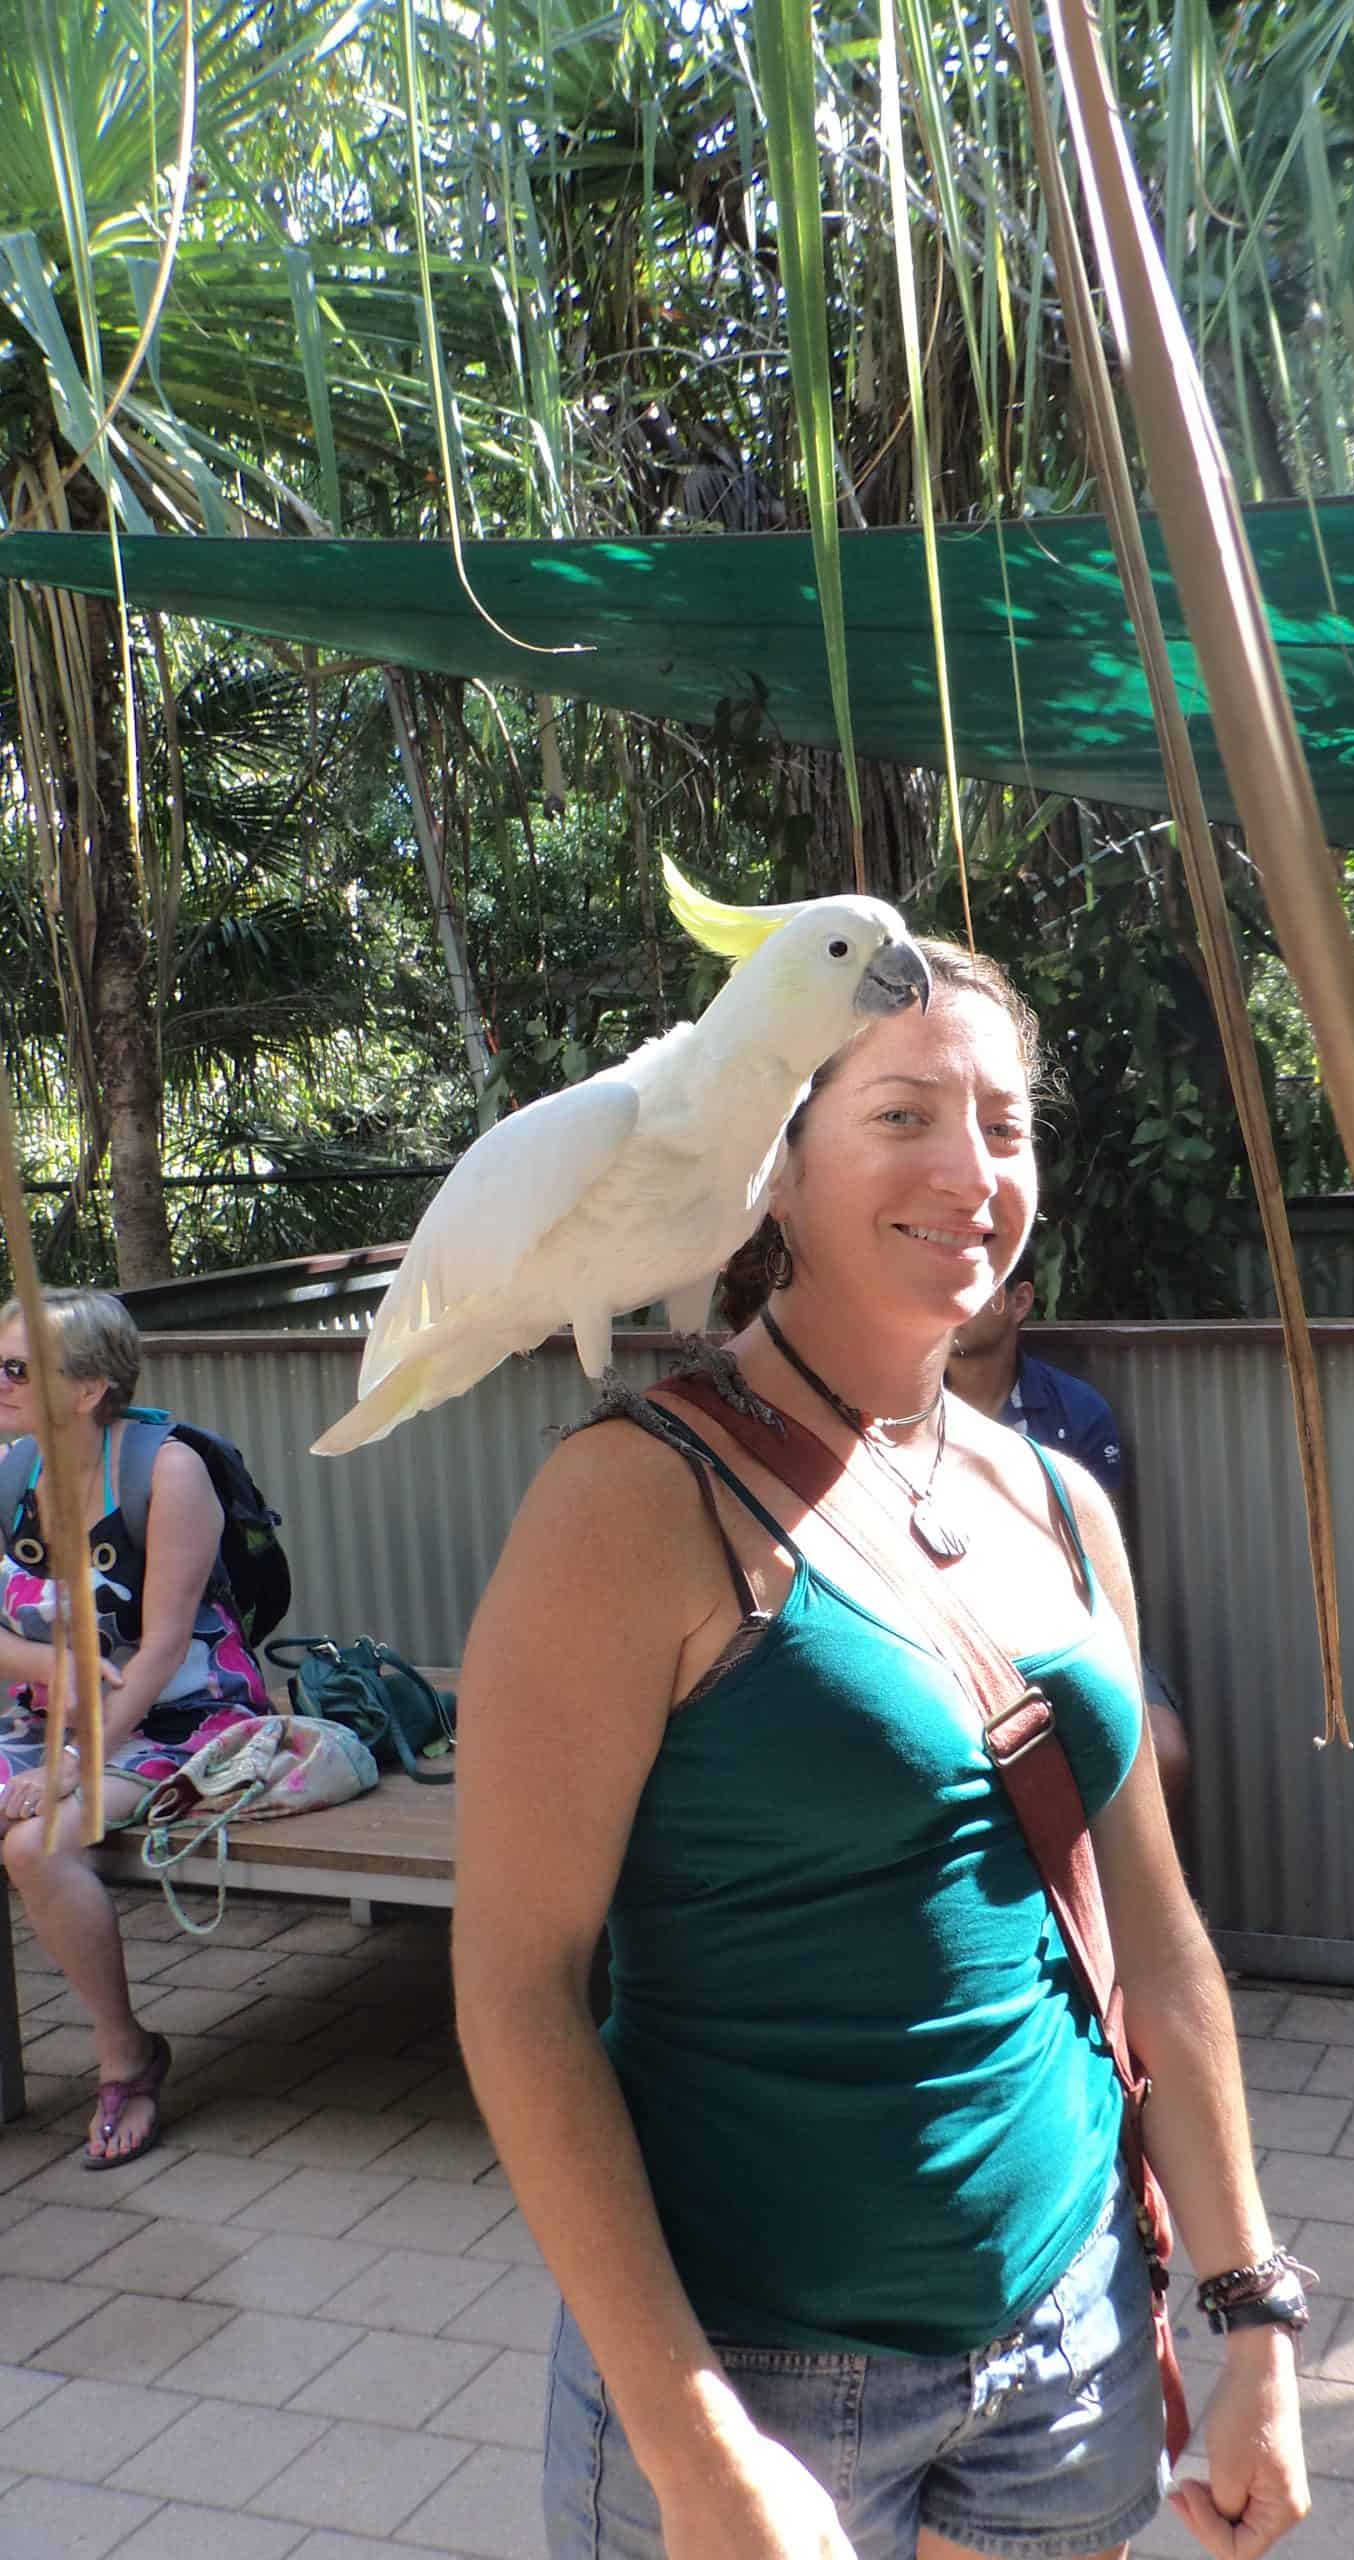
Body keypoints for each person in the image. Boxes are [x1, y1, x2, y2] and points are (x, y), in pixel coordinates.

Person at [454, 940, 1310, 2560]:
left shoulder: (1058, 1505)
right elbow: (513, 1991)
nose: (969, 1171)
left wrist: (1252, 2311)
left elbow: (1160, 1946)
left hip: (1068, 2347)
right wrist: (691, 2437)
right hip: (752, 2375)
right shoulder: (632, 1508)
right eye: (905, 1113)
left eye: (1004, 1124)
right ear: (776, 1168)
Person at [0, 1288, 269, 2165]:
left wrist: (77, 1760)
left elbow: (157, 1653)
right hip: (46, 1715)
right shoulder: (11, 1472)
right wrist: (48, 1670)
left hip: (179, 1715)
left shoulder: (165, 1474)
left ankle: (128, 2058)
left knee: (35, 1846)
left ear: (85, 1392)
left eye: (15, 1370)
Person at [948, 1258, 1193, 1845]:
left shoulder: (1075, 1412)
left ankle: (1126, 1920)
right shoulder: (900, 1409)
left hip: (1070, 1625)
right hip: (943, 1636)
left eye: (978, 1281)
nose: (956, 1299)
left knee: (1166, 1754)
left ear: (1021, 1300)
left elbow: (1096, 1568)